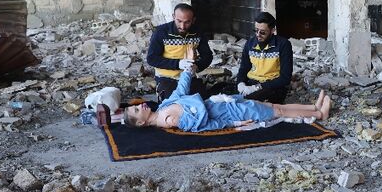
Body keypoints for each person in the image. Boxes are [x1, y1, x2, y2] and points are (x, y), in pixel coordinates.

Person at [123, 70, 331, 132]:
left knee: (275, 106)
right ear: (141, 122)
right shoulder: (168, 120)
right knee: (278, 111)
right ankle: (319, 114)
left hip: (225, 102)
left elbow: (180, 90)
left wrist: (187, 68)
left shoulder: (163, 107)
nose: (139, 105)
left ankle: (313, 108)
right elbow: (204, 125)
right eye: (136, 111)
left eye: (135, 106)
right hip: (230, 113)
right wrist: (234, 124)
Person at [146, 3, 214, 102]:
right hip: (166, 78)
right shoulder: (161, 32)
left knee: (202, 104)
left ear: (193, 20)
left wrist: (197, 66)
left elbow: (208, 56)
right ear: (173, 17)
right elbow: (152, 59)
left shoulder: (198, 32)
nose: (182, 26)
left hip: (189, 76)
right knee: (173, 105)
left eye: (187, 22)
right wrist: (178, 64)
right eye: (179, 21)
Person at [236, 12, 293, 103]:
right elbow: (244, 68)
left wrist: (258, 87)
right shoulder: (250, 44)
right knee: (220, 91)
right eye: (256, 30)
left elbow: (285, 78)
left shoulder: (283, 45)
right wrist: (241, 83)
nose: (258, 34)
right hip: (251, 83)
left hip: (272, 86)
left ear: (272, 30)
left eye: (262, 32)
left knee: (245, 102)